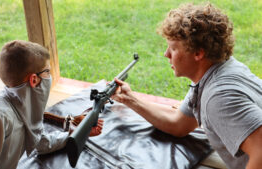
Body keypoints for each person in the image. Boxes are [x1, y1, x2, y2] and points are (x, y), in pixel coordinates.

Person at [112, 3, 262, 169]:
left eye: (174, 48)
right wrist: (130, 99)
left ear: (198, 53)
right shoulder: (218, 71)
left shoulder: (218, 97)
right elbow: (179, 124)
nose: (166, 54)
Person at [0, 40, 103, 169]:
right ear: (34, 80)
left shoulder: (24, 107)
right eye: (47, 72)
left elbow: (40, 142)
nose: (50, 76)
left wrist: (77, 135)